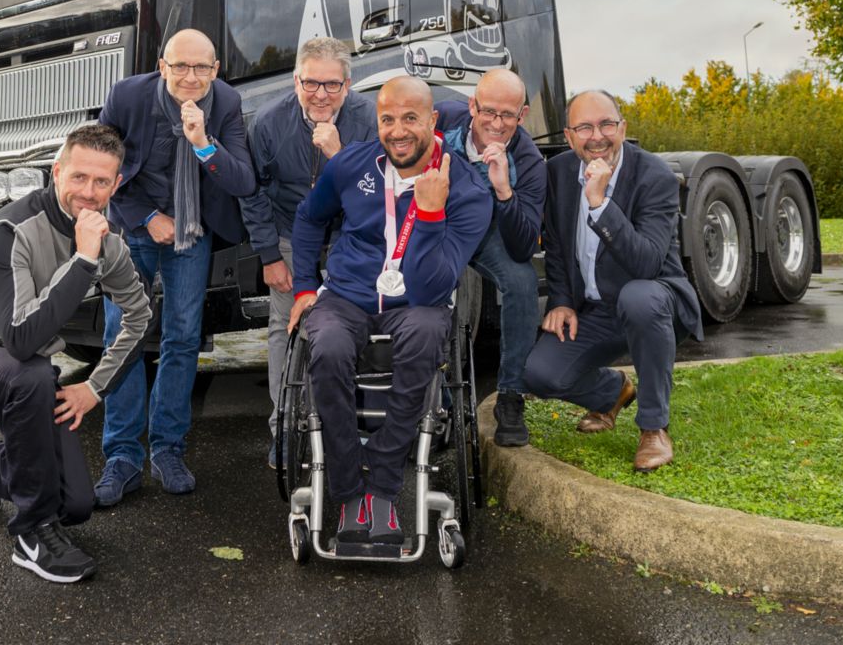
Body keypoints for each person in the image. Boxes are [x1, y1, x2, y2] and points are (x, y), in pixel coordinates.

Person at [0, 124, 151, 584]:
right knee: (36, 374)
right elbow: (20, 338)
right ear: (56, 172)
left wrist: (95, 388)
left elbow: (140, 317)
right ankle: (31, 534)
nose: (89, 191)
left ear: (116, 184)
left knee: (75, 505)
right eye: (79, 177)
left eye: (102, 182)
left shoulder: (109, 243)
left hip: (21, 370)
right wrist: (83, 261)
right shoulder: (11, 229)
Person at [288, 77, 491, 545]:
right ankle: (346, 486)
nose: (398, 131)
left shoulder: (468, 190)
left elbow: (433, 283)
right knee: (330, 346)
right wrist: (302, 287)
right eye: (387, 119)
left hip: (417, 302)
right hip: (346, 296)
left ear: (433, 121)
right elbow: (308, 218)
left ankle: (382, 479)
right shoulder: (351, 165)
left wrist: (432, 214)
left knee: (424, 338)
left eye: (410, 118)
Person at [93, 29, 255, 504]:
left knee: (182, 337)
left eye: (201, 68)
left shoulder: (224, 103)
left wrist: (204, 143)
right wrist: (147, 216)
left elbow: (242, 180)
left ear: (216, 69)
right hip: (133, 227)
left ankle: (168, 449)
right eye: (180, 66)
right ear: (162, 66)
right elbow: (105, 169)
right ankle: (121, 457)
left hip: (192, 233)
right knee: (122, 335)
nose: (190, 77)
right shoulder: (127, 97)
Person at [522, 89, 703, 472]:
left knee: (639, 296)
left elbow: (647, 263)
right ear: (569, 137)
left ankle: (654, 427)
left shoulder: (654, 175)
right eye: (584, 127)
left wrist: (600, 203)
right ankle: (612, 392)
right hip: (597, 310)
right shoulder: (557, 172)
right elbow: (555, 245)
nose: (597, 136)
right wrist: (561, 300)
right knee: (538, 374)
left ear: (622, 128)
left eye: (606, 124)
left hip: (655, 302)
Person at [240, 37, 377, 464]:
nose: (321, 94)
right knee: (286, 323)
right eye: (311, 83)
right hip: (288, 230)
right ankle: (285, 426)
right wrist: (269, 255)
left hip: (348, 233)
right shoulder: (268, 122)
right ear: (295, 80)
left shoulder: (370, 120)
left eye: (332, 85)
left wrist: (340, 156)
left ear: (348, 84)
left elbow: (376, 195)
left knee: (353, 323)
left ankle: (353, 424)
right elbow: (252, 192)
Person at [437, 68, 546, 447]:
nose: (497, 124)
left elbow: (522, 247)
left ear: (523, 115)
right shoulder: (443, 119)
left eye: (508, 116)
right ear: (472, 106)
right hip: (443, 224)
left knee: (522, 281)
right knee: (429, 285)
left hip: (490, 231)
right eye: (489, 112)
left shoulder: (529, 161)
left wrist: (503, 190)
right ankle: (437, 399)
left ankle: (511, 396)